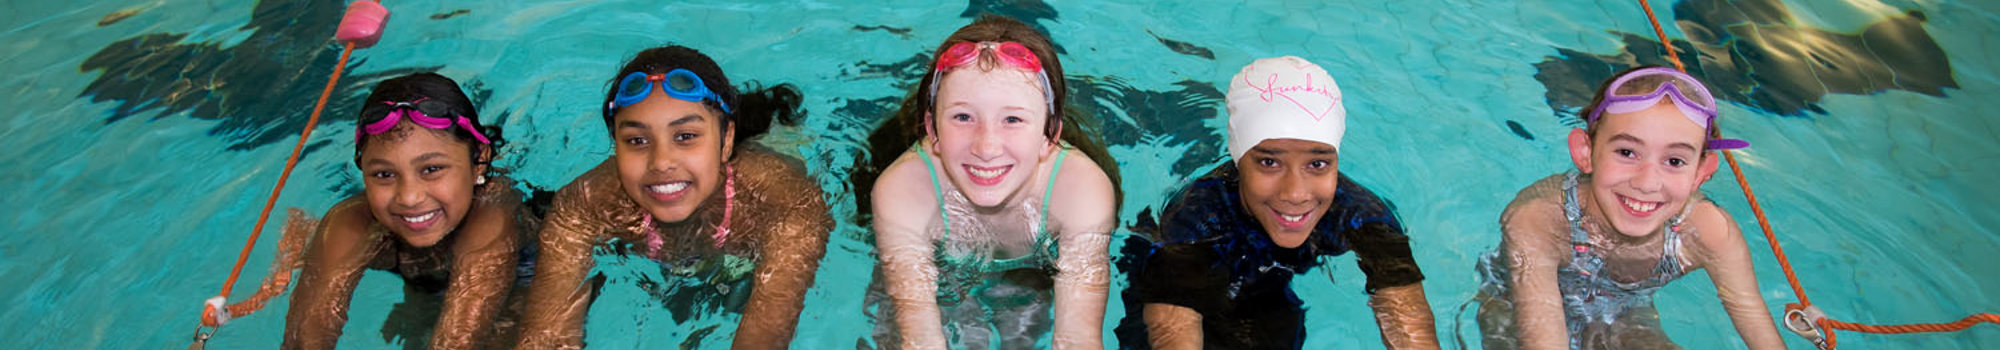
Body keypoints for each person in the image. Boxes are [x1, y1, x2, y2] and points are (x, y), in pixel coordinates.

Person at [514, 45, 830, 349]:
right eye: (636, 140)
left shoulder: (784, 202)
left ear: (726, 139)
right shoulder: (584, 205)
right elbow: (547, 338)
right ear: (615, 146)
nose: (661, 162)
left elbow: (764, 341)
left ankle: (771, 116)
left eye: (685, 136)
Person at [1118, 56, 1439, 349]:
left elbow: (1409, 323)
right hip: (1171, 273)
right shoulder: (1198, 218)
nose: (1296, 193)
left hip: (1265, 292)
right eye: (1269, 163)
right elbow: (1172, 328)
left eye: (1318, 164)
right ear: (1238, 157)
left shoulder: (1361, 215)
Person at [856, 15, 1120, 349]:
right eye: (963, 117)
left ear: (1049, 134)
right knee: (889, 329)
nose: (986, 147)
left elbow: (1077, 340)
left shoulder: (1081, 193)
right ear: (933, 129)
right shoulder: (903, 191)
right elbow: (919, 338)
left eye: (1012, 119)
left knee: (1023, 328)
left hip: (1033, 268)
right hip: (942, 261)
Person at [218, 72, 537, 349]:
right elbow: (304, 342)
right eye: (384, 174)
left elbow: (457, 342)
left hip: (524, 272)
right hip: (427, 278)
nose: (409, 197)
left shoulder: (492, 213)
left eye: (431, 169)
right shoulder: (351, 222)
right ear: (363, 171)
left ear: (479, 158)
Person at [1472, 66, 1783, 349]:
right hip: (1514, 308)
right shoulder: (1540, 220)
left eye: (1674, 161)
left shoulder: (1709, 231)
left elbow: (1754, 320)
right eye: (1627, 152)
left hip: (1623, 315)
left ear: (1701, 173)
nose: (1648, 183)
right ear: (1586, 152)